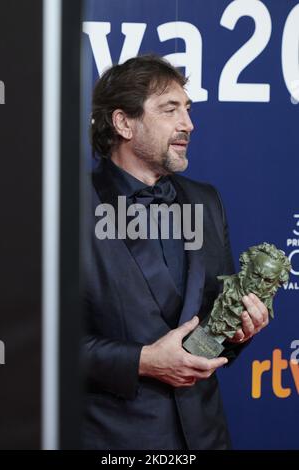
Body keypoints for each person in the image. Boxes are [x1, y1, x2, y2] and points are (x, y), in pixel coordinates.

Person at [82, 54, 269, 450]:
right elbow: (40, 347)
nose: (188, 124)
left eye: (187, 109)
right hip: (114, 442)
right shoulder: (64, 207)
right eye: (170, 110)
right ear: (123, 123)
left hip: (207, 438)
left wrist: (238, 332)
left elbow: (213, 329)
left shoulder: (206, 201)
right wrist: (142, 361)